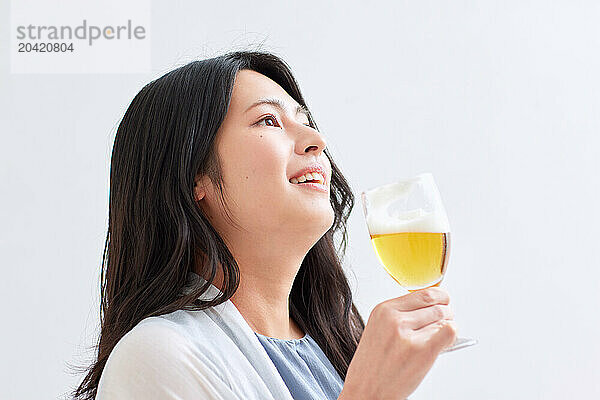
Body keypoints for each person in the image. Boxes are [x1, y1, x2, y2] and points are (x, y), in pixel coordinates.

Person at [71, 50, 457, 400]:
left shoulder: (338, 345)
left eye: (305, 122)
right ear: (193, 176)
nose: (316, 140)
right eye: (269, 120)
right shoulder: (155, 357)